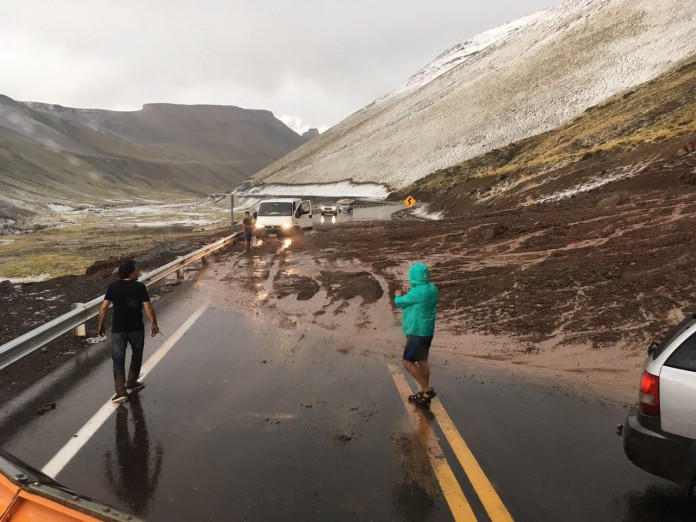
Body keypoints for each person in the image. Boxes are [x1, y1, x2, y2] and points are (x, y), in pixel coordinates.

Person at [98, 260, 159, 403]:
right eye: (136, 270)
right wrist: (154, 323)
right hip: (136, 328)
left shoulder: (113, 287)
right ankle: (131, 382)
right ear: (130, 273)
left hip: (118, 329)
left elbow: (104, 307)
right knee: (137, 354)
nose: (138, 272)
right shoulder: (140, 287)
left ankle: (120, 392)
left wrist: (100, 324)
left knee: (118, 359)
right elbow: (148, 307)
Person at [394, 262, 439, 406]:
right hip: (427, 331)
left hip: (416, 332)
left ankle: (427, 389)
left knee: (407, 362)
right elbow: (418, 299)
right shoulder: (432, 288)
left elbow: (400, 302)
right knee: (422, 360)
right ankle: (424, 391)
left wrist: (397, 294)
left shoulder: (417, 292)